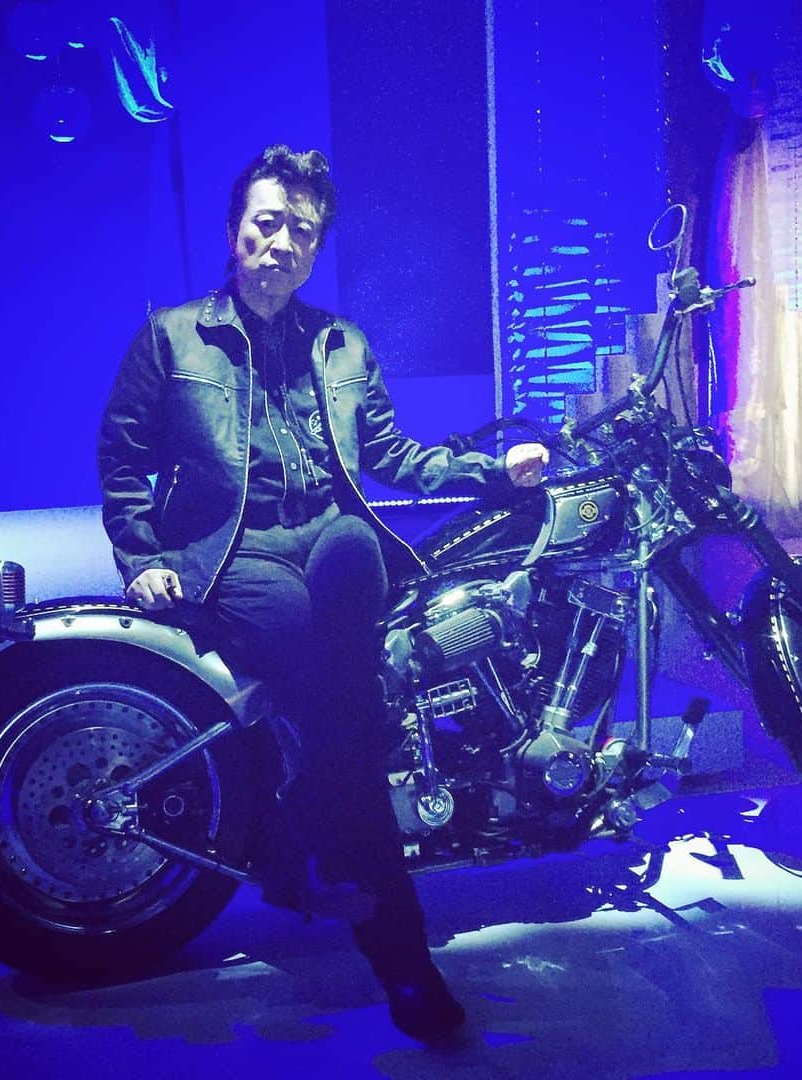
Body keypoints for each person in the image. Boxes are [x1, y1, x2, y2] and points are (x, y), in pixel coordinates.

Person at [97, 144, 548, 1041]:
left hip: (331, 530)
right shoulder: (172, 336)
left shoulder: (342, 342)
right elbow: (123, 457)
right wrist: (141, 555)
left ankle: (311, 822)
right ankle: (400, 955)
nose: (283, 243)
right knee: (339, 695)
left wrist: (490, 471)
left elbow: (391, 455)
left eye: (302, 231)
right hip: (234, 546)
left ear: (315, 248)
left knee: (348, 617)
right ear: (235, 230)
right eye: (267, 223)